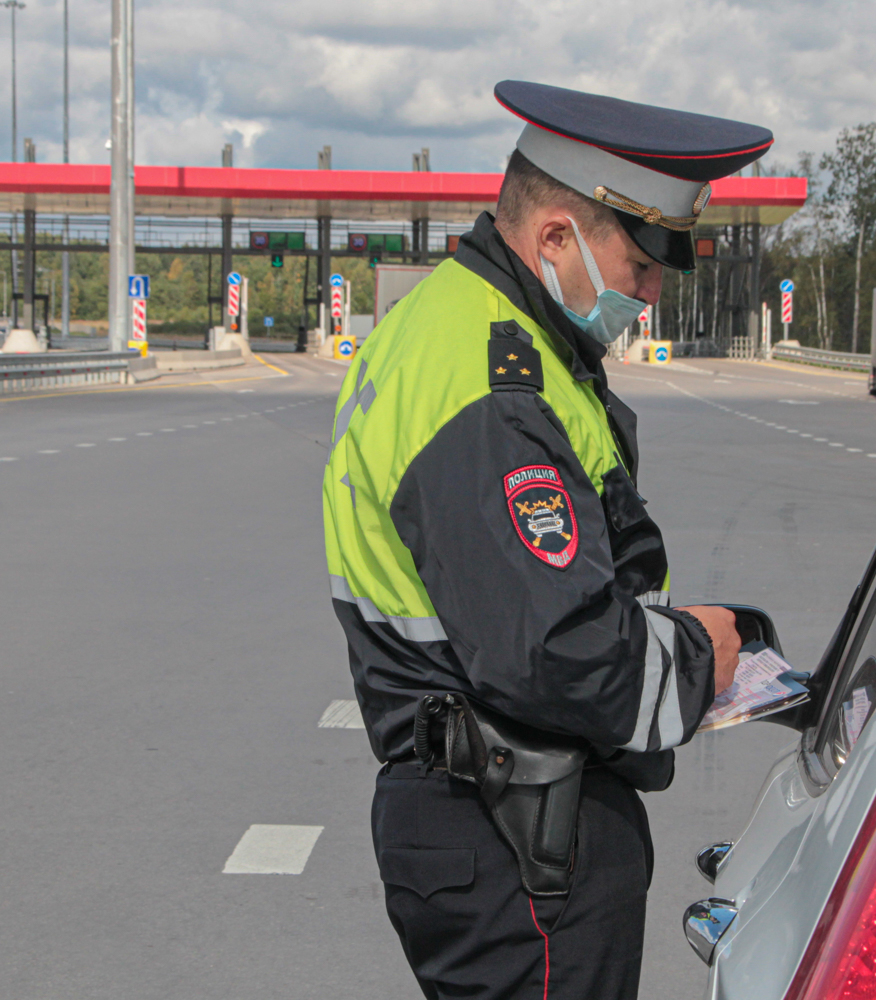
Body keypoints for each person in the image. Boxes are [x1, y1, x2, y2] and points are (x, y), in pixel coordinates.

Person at [322, 80, 773, 1000]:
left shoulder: (462, 328)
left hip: (497, 824)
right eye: (640, 257)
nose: (651, 287)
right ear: (556, 236)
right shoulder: (492, 385)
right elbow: (557, 649)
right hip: (516, 836)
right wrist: (704, 658)